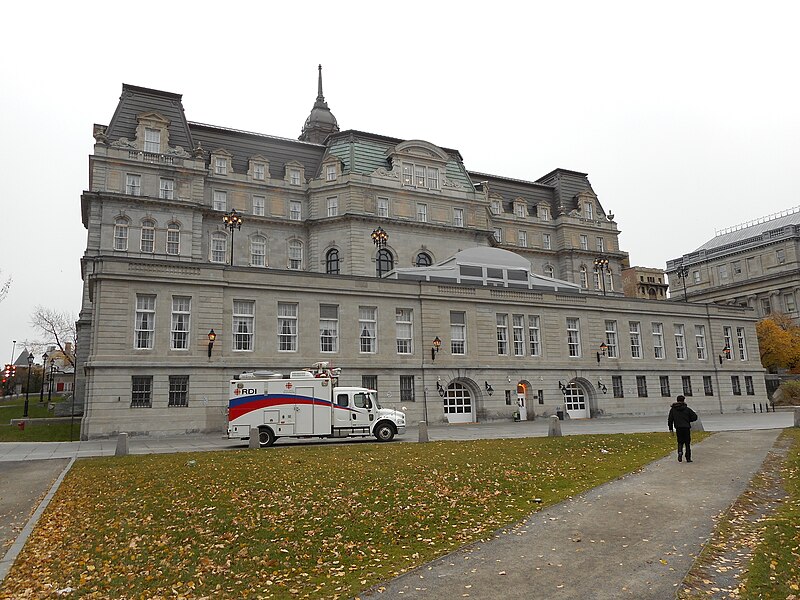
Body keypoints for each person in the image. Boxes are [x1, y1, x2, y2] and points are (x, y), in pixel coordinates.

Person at [668, 395, 698, 462]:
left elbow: (670, 420)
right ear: (684, 400)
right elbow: (695, 417)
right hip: (686, 427)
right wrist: (688, 420)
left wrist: (671, 429)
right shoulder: (687, 409)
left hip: (678, 427)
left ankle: (680, 452)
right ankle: (688, 458)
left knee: (680, 442)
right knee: (687, 443)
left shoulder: (673, 410)